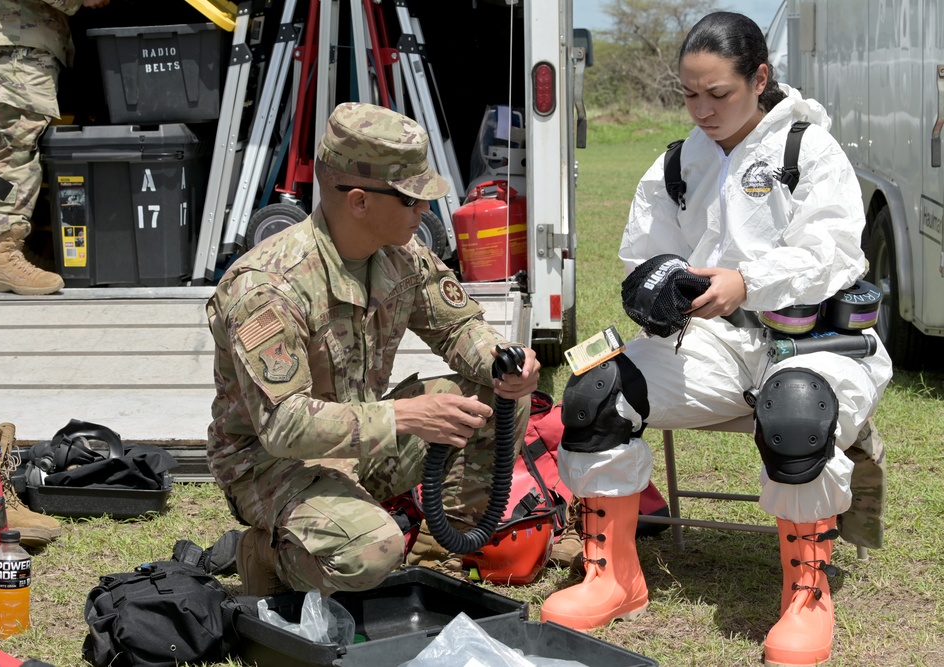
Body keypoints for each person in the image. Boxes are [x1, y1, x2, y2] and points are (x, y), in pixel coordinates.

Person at [539, 12, 892, 667]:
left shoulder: (809, 149)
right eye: (689, 94)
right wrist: (663, 286)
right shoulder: (678, 162)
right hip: (713, 344)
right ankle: (614, 577)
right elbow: (643, 256)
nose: (701, 109)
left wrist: (746, 280)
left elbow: (837, 251)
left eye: (718, 94)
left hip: (812, 340)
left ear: (759, 78)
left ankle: (806, 597)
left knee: (794, 411)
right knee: (596, 389)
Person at [206, 101, 541, 596]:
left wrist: (501, 361)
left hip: (361, 440)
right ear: (359, 201)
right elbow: (283, 427)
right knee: (370, 553)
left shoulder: (400, 254)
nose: (425, 210)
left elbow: (459, 327)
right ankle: (265, 554)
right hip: (270, 465)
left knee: (495, 399)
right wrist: (404, 418)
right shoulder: (269, 287)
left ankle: (435, 542)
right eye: (411, 199)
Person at [0, 0, 110, 295]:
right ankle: (5, 255)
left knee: (18, 138)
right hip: (13, 33)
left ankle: (11, 249)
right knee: (17, 141)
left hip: (20, 32)